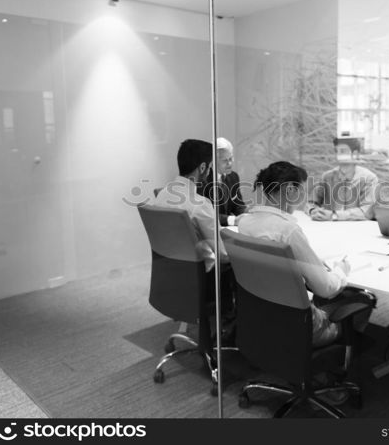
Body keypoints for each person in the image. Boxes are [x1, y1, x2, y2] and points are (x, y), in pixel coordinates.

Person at [238, 161, 374, 347]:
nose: (303, 195)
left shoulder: (245, 224)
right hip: (304, 327)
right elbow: (326, 289)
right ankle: (347, 357)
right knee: (365, 299)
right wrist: (341, 270)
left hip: (264, 317)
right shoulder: (288, 231)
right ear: (290, 191)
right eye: (301, 189)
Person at [153, 139, 236, 323]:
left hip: (169, 274)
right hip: (199, 279)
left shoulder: (162, 195)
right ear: (203, 168)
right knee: (243, 264)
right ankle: (233, 326)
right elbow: (222, 255)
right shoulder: (199, 204)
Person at [308, 137, 378, 221]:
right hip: (328, 229)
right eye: (336, 151)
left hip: (357, 230)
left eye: (343, 151)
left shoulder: (369, 178)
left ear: (355, 154)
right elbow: (311, 203)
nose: (338, 155)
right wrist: (313, 211)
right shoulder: (327, 177)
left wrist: (334, 215)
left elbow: (367, 211)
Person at [202, 137, 247, 227]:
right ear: (213, 162)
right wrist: (232, 220)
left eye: (231, 159)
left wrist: (247, 214)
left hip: (228, 230)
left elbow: (237, 205)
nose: (229, 163)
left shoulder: (233, 176)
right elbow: (204, 215)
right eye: (225, 160)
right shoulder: (203, 179)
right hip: (211, 230)